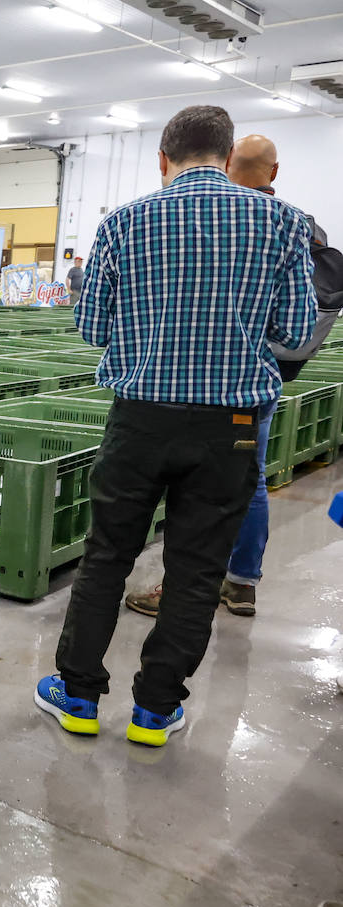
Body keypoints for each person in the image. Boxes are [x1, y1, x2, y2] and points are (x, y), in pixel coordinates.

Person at [33, 106, 316, 747]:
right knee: (196, 570)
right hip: (231, 426)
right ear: (228, 156)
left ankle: (78, 697)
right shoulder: (283, 222)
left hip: (140, 421)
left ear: (162, 158)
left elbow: (92, 328)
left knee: (108, 555)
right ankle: (155, 712)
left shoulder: (123, 222)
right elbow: (297, 331)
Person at [126, 133, 340, 619]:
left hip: (190, 382)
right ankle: (241, 583)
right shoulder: (295, 225)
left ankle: (180, 588)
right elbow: (297, 325)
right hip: (258, 381)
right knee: (248, 479)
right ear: (274, 172)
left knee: (189, 485)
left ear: (223, 163)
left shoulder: (199, 218)